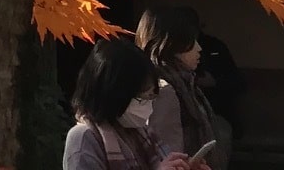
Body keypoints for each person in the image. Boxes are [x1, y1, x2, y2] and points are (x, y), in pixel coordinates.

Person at [64, 39, 194, 170]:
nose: (148, 105)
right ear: (116, 94)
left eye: (151, 97)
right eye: (142, 98)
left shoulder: (141, 132)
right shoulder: (84, 139)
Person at [138, 6, 231, 170]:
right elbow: (167, 153)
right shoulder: (165, 90)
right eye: (191, 42)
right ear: (172, 44)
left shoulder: (183, 83)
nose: (199, 48)